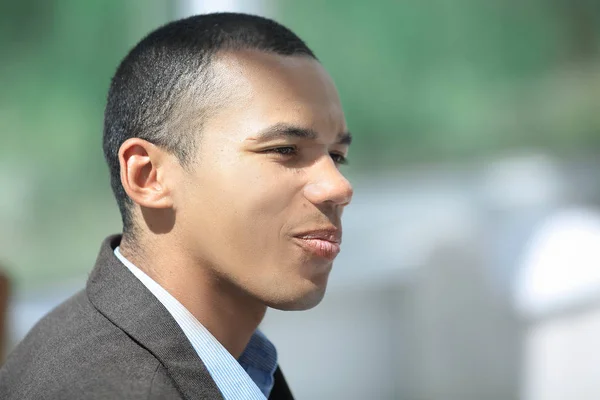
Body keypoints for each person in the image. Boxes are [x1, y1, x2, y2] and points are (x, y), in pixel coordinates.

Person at [0, 12, 353, 400]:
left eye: (337, 156)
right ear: (148, 176)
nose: (337, 187)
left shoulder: (230, 358)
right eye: (285, 150)